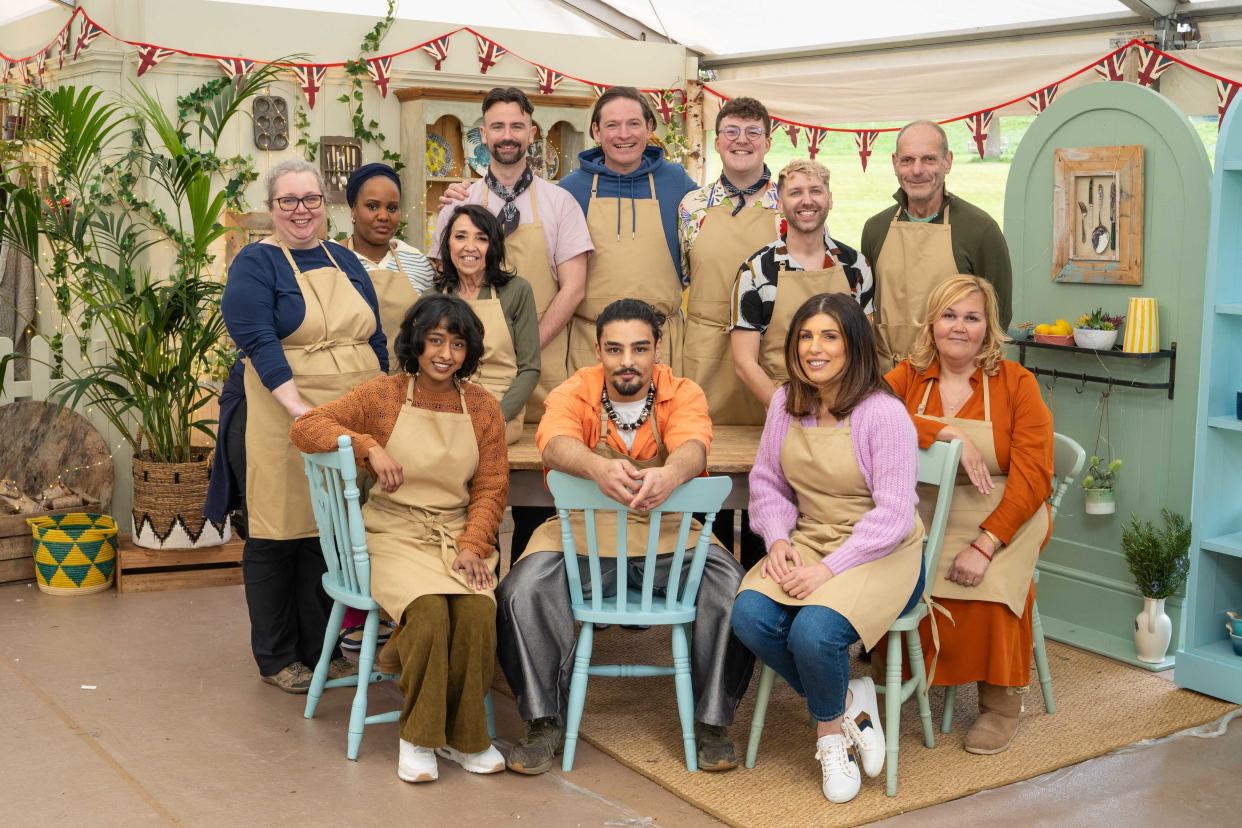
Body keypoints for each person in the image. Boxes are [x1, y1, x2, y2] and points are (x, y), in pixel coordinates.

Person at [496, 299, 754, 775]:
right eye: (614, 349)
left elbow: (695, 446)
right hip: (583, 536)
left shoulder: (683, 392)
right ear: (599, 351)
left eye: (639, 348)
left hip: (669, 534)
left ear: (657, 349)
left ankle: (713, 722)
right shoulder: (576, 390)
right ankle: (544, 720)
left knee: (737, 593)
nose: (627, 361)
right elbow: (552, 440)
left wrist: (671, 475)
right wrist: (596, 467)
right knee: (520, 592)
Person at [291, 294, 509, 782]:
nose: (445, 354)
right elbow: (307, 426)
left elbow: (492, 485)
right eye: (435, 340)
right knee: (429, 611)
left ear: (469, 351)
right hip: (391, 531)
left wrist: (474, 544)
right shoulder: (384, 396)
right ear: (417, 341)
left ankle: (466, 738)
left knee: (476, 611)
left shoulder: (483, 408)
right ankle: (419, 737)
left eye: (457, 344)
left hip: (454, 534)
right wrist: (366, 445)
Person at [730, 292, 925, 805]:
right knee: (749, 615)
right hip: (812, 536)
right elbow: (768, 482)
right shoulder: (784, 403)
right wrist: (775, 540)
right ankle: (849, 700)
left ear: (854, 344)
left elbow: (893, 516)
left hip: (884, 550)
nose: (815, 349)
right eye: (805, 337)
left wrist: (828, 571)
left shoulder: (882, 414)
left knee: (815, 633)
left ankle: (830, 738)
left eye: (829, 336)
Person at [220, 158, 386, 694]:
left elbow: (376, 339)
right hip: (282, 411)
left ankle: (320, 650)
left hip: (349, 417)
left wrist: (386, 406)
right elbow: (259, 341)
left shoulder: (346, 260)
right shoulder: (256, 263)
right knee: (277, 533)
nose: (301, 211)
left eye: (310, 199)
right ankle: (276, 656)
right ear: (272, 209)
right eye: (288, 201)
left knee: (328, 533)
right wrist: (301, 411)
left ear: (325, 206)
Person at [880, 275, 1053, 755]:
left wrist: (986, 542)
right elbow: (866, 413)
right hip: (930, 503)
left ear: (988, 326)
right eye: (949, 315)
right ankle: (890, 682)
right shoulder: (908, 375)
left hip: (1006, 507)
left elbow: (1035, 476)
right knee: (891, 574)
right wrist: (945, 433)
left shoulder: (1018, 383)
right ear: (932, 322)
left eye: (971, 317)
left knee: (991, 585)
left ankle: (1000, 705)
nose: (959, 327)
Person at [432, 86, 593, 560]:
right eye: (497, 126)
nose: (507, 135)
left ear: (531, 132)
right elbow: (443, 289)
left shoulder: (559, 202)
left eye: (516, 126)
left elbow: (574, 287)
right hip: (474, 377)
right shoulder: (457, 204)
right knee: (472, 487)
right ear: (483, 134)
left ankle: (526, 598)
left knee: (543, 496)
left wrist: (528, 347)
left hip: (548, 369)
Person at [678, 96, 781, 568]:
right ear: (716, 141)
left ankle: (764, 586)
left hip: (770, 355)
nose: (742, 141)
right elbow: (683, 274)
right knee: (706, 479)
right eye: (732, 131)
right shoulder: (692, 206)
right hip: (705, 354)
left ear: (768, 140)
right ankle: (710, 589)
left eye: (752, 131)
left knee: (771, 480)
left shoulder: (790, 202)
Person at [559, 86, 697, 374]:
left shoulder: (677, 182)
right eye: (612, 125)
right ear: (596, 132)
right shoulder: (571, 190)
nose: (624, 134)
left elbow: (719, 215)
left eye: (634, 123)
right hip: (591, 347)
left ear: (648, 128)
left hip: (659, 347)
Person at [861, 120, 1012, 370]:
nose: (917, 170)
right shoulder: (875, 229)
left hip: (954, 378)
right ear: (895, 163)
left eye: (929, 159)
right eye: (907, 160)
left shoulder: (980, 230)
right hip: (886, 379)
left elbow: (998, 316)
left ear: (947, 162)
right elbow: (865, 309)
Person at [730, 159, 875, 408]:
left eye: (816, 191)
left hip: (845, 407)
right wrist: (785, 411)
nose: (807, 201)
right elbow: (744, 362)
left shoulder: (856, 266)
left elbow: (864, 348)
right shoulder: (755, 271)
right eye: (795, 193)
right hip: (780, 402)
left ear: (830, 199)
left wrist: (847, 407)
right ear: (779, 202)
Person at [433, 204, 540, 444]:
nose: (469, 247)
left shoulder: (517, 291)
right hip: (444, 407)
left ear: (493, 246)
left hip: (501, 407)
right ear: (448, 244)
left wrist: (497, 416)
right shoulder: (434, 297)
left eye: (481, 238)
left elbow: (530, 369)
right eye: (460, 236)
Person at [342, 162, 436, 371]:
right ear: (353, 210)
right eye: (372, 206)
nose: (384, 216)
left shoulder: (417, 262)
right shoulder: (332, 259)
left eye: (392, 208)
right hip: (349, 381)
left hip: (407, 382)